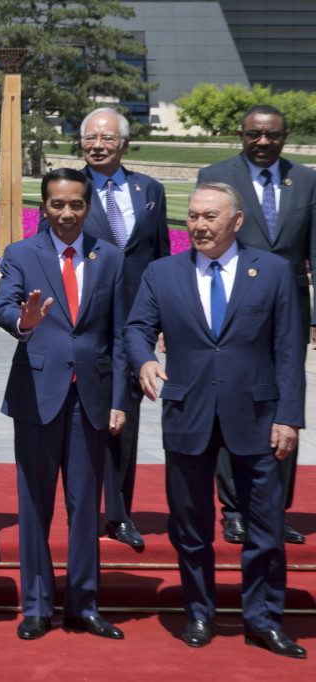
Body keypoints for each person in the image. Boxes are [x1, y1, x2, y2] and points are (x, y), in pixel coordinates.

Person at [124, 182, 306, 658]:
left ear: (236, 221)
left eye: (210, 217)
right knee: (190, 526)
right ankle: (199, 613)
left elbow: (289, 349)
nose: (199, 226)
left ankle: (263, 620)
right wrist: (143, 359)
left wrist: (289, 416)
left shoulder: (274, 272)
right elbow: (136, 328)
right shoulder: (162, 273)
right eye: (193, 217)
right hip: (188, 415)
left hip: (259, 417)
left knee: (265, 528)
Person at [0, 168, 128, 642]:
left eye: (75, 205)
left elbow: (120, 331)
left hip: (90, 398)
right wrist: (22, 322)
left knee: (85, 505)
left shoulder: (110, 257)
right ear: (42, 207)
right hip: (37, 395)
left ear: (88, 207)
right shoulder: (21, 254)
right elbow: (3, 305)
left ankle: (84, 605)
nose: (67, 214)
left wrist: (119, 399)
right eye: (57, 205)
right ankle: (36, 606)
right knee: (33, 505)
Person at [37, 107, 170, 548]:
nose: (97, 145)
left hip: (137, 322)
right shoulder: (67, 188)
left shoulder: (149, 189)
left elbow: (162, 257)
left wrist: (165, 318)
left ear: (124, 144)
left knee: (124, 416)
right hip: (85, 322)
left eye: (107, 139)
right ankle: (83, 509)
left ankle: (119, 512)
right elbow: (45, 258)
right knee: (85, 417)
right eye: (90, 138)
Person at [197, 105, 316, 546]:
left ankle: (273, 508)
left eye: (272, 135)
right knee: (231, 400)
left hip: (291, 308)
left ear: (286, 136)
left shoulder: (306, 180)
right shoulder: (216, 174)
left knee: (285, 398)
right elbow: (203, 242)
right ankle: (233, 510)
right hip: (232, 308)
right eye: (253, 135)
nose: (262, 142)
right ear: (241, 135)